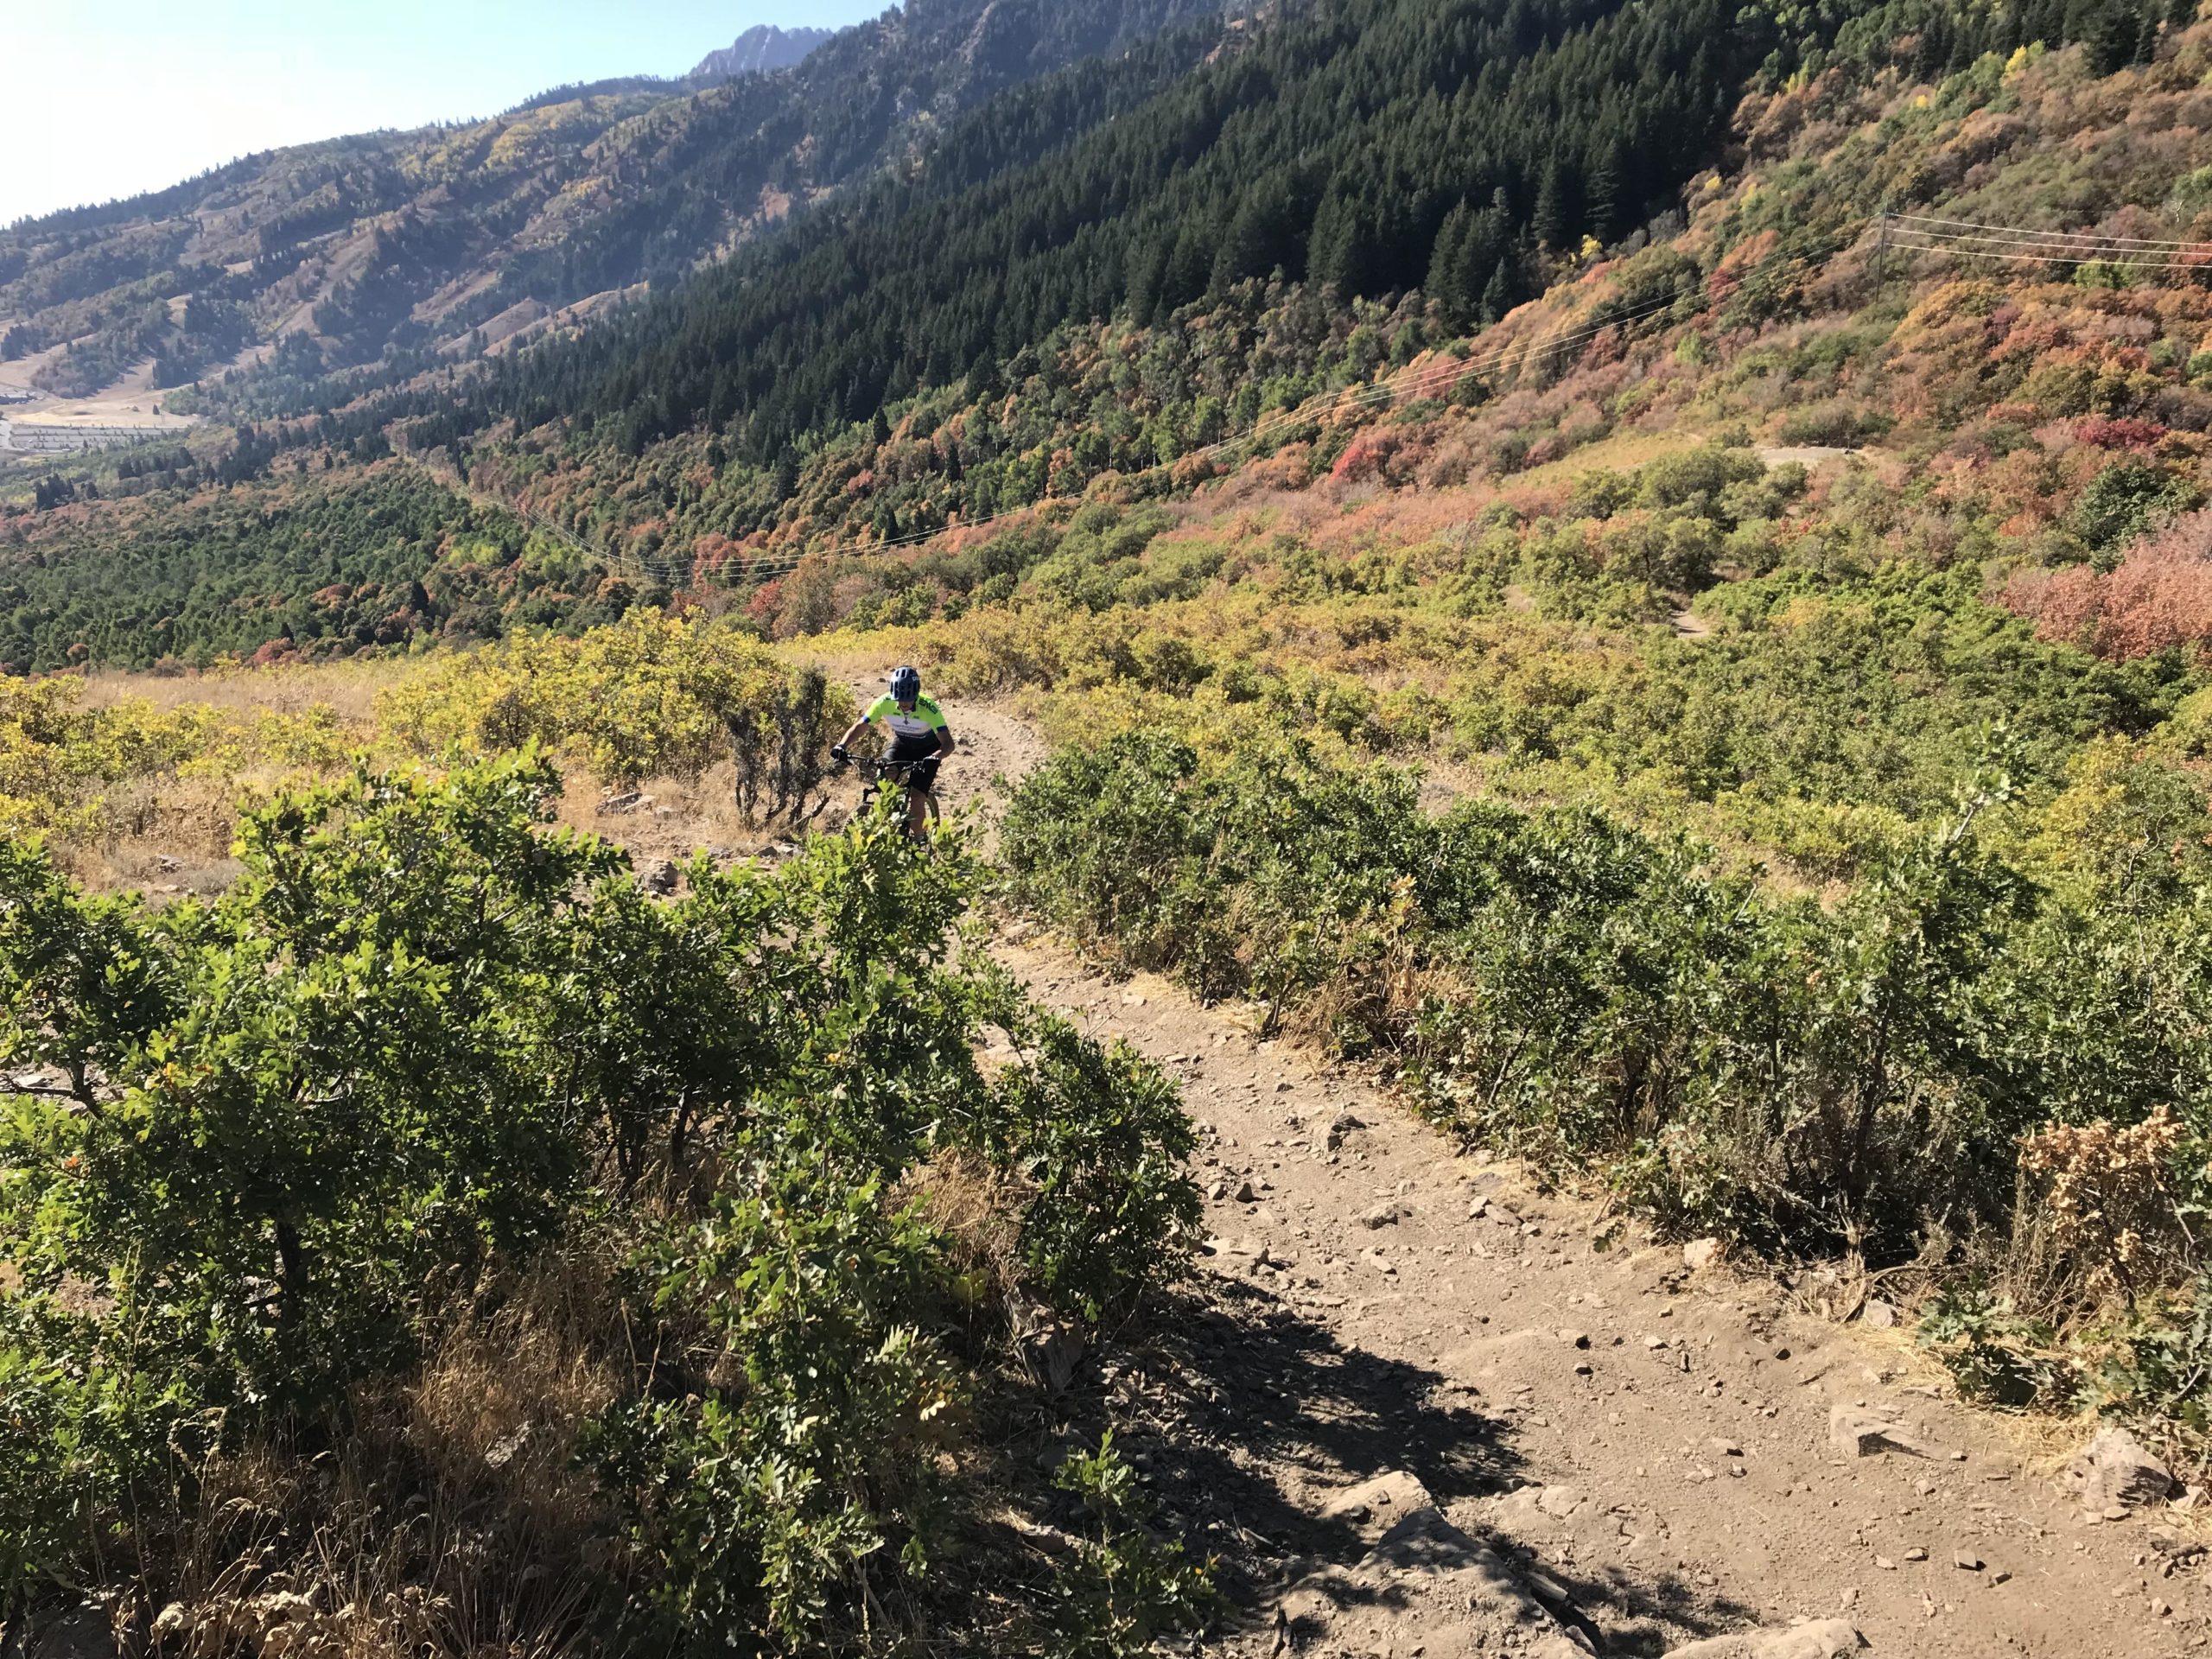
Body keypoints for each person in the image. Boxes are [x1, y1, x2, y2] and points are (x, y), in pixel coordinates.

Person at [830, 664, 956, 837]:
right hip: (903, 743)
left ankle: (920, 838)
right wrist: (842, 745)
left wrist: (935, 757)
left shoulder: (929, 707)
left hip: (928, 751)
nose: (903, 703)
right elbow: (861, 726)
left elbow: (948, 744)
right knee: (885, 774)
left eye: (909, 699)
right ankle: (890, 818)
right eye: (899, 699)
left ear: (916, 695)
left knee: (917, 796)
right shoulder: (884, 702)